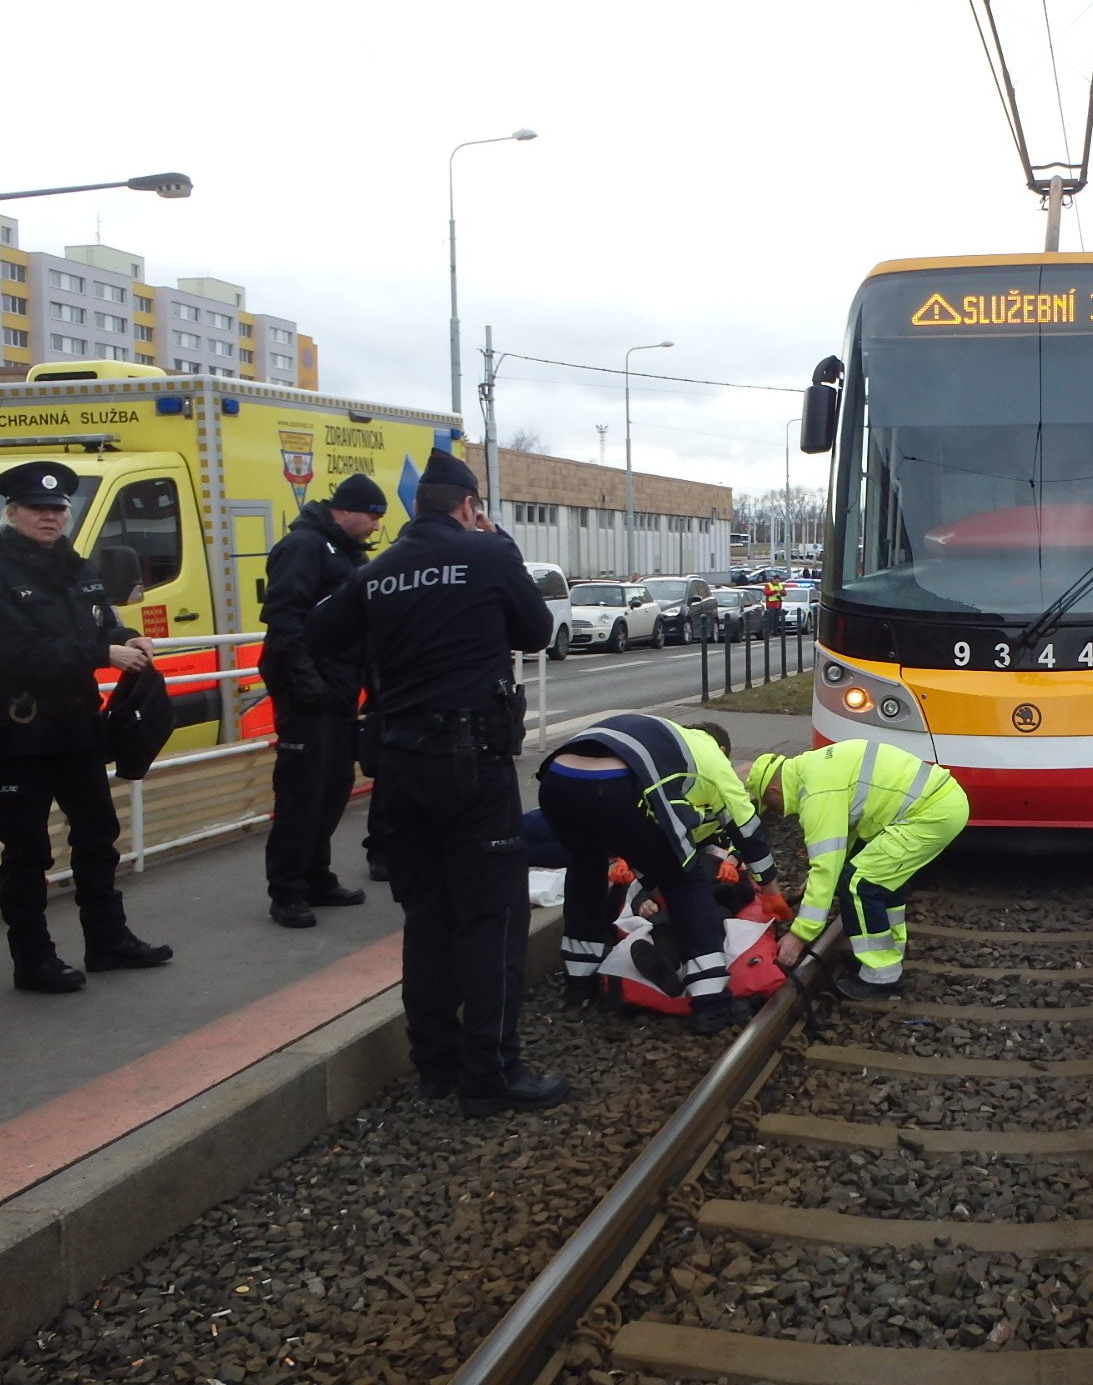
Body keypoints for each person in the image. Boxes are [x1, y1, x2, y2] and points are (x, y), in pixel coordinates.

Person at [307, 450, 567, 1118]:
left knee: (427, 919)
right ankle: (491, 1073)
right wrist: (496, 549)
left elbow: (322, 632)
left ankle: (436, 1063)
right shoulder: (487, 557)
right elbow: (537, 630)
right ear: (468, 507)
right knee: (492, 919)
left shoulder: (379, 568)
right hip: (468, 765)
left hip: (397, 765)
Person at [0, 461, 172, 993]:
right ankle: (33, 959)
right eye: (38, 509)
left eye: (58, 509)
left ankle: (108, 941)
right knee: (27, 850)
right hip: (18, 730)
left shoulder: (75, 567)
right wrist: (102, 653)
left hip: (76, 727)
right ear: (13, 512)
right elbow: (15, 651)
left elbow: (103, 619)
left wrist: (129, 636)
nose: (50, 517)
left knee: (98, 835)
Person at [534, 712, 784, 1034]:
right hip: (621, 784)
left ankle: (579, 985)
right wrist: (771, 890)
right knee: (685, 880)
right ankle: (711, 1005)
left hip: (557, 781)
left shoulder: (666, 740)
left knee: (586, 869)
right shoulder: (712, 759)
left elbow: (635, 833)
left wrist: (648, 879)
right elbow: (748, 830)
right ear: (723, 751)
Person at [258, 473, 385, 929]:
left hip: (339, 690)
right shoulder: (305, 547)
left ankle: (316, 875)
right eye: (372, 516)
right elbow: (283, 619)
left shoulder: (346, 553)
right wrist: (305, 682)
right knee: (301, 792)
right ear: (346, 510)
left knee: (331, 789)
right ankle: (287, 890)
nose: (375, 526)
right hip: (307, 692)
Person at [744, 741, 968, 1000]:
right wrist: (815, 878)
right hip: (939, 805)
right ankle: (886, 955)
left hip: (929, 814)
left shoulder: (816, 794)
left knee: (858, 883)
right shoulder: (815, 770)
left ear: (774, 789)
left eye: (770, 804)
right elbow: (843, 838)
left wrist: (799, 935)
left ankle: (881, 978)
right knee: (883, 884)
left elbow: (826, 869)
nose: (777, 812)